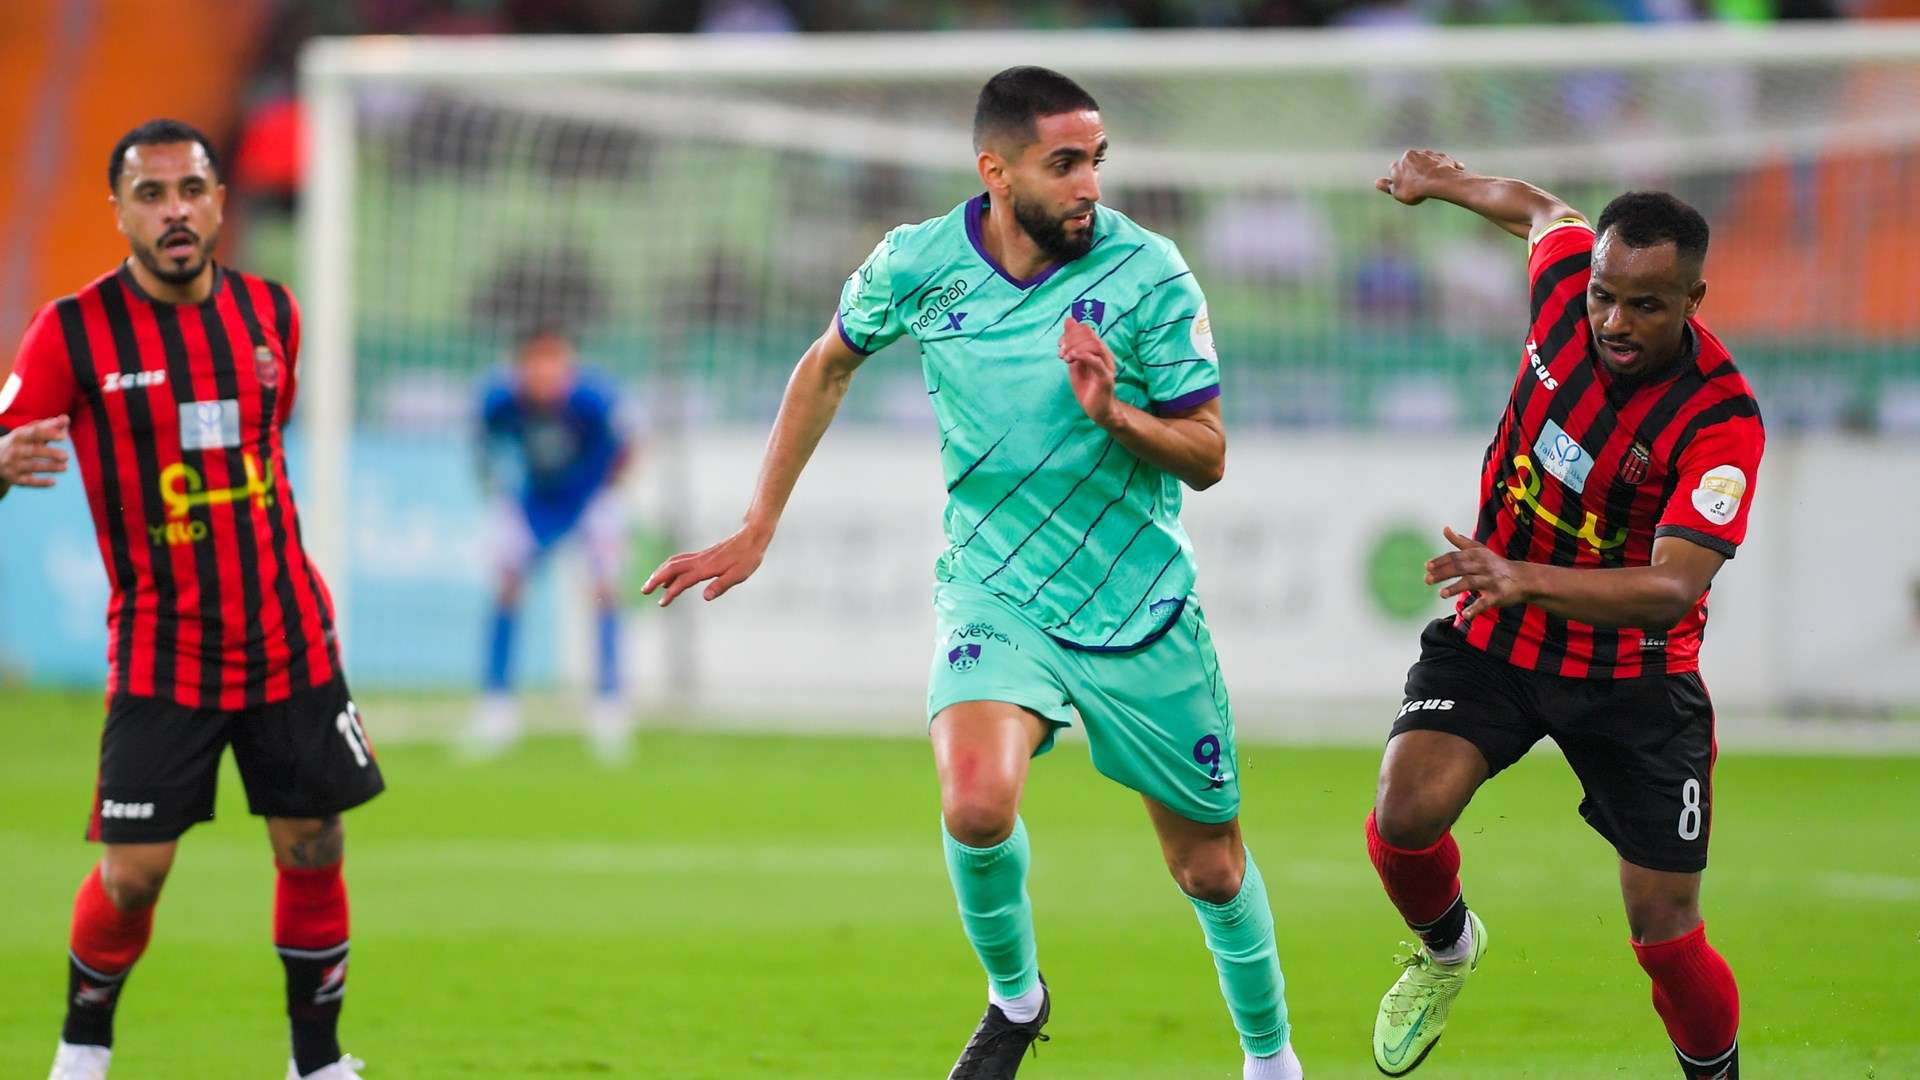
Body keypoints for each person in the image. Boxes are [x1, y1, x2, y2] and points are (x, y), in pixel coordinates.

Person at [643, 67, 1303, 1080]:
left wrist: (1113, 415)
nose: (1090, 185)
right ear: (997, 171)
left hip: (1140, 603)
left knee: (1208, 867)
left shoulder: (1151, 272)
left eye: (1098, 162)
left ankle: (1271, 1061)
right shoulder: (917, 263)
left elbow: (1208, 454)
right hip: (994, 589)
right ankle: (1016, 999)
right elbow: (826, 364)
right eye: (1065, 163)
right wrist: (758, 524)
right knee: (976, 805)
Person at [1363, 149, 1762, 1079]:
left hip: (1636, 674)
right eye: (1604, 297)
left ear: (1695, 299)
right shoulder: (1565, 288)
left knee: (1664, 932)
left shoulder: (1720, 422)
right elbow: (1539, 209)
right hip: (1501, 638)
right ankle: (1449, 949)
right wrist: (1446, 183)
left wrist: (1524, 576)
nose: (1616, 322)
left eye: (1647, 306)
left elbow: (1672, 587)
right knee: (1404, 812)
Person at [0, 119, 381, 1080]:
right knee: (134, 875)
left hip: (287, 636)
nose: (175, 211)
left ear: (220, 199)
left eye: (192, 190)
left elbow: (267, 437)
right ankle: (82, 1051)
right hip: (164, 649)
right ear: (120, 211)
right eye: (152, 194)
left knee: (311, 847)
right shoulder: (73, 331)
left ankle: (318, 1062)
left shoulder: (270, 313)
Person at [468, 325, 636, 760]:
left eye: (554, 363)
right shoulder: (500, 402)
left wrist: (606, 491)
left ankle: (609, 707)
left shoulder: (594, 402)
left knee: (604, 592)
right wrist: (498, 488)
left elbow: (630, 445)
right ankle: (497, 707)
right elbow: (484, 446)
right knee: (506, 589)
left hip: (589, 498)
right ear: (520, 367)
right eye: (536, 364)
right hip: (534, 501)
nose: (545, 375)